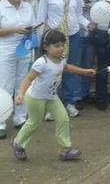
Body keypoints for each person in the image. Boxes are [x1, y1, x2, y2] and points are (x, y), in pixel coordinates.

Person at [12, 30, 96, 161]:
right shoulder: (41, 63)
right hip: (36, 97)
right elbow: (28, 79)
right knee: (34, 122)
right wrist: (20, 94)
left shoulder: (61, 60)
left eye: (63, 45)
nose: (61, 48)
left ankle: (65, 150)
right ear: (45, 47)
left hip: (51, 97)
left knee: (63, 119)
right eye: (56, 46)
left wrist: (84, 71)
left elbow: (67, 68)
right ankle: (18, 144)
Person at [37, 0, 96, 117]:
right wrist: (44, 39)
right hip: (54, 38)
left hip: (73, 35)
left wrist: (87, 24)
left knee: (70, 69)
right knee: (53, 70)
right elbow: (40, 19)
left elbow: (78, 15)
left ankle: (69, 102)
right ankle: (51, 105)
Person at [0, 0, 35, 139]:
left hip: (24, 48)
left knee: (21, 83)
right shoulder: (1, 7)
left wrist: (29, 31)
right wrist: (15, 30)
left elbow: (32, 25)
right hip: (6, 49)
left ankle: (20, 117)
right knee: (5, 85)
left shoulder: (27, 6)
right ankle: (1, 121)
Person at [73, 0, 95, 108]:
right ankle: (76, 96)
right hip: (77, 34)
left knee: (88, 65)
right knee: (76, 66)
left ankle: (85, 93)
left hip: (91, 35)